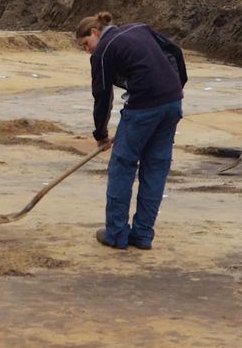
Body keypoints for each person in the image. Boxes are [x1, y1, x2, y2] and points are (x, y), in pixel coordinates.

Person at [77, 12, 186, 250]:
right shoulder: (139, 27)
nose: (87, 50)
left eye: (85, 44)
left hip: (144, 108)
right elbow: (175, 52)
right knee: (155, 168)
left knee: (122, 166)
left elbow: (102, 96)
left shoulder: (103, 50)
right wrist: (177, 87)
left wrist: (101, 135)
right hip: (172, 103)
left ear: (95, 32)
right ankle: (143, 235)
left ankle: (116, 234)